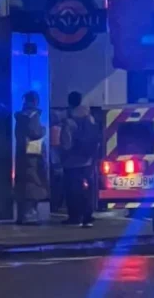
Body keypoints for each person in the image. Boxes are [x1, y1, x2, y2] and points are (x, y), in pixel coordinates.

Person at [61, 92, 99, 227]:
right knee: (87, 189)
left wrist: (63, 154)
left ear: (69, 102)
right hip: (87, 160)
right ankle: (87, 216)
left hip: (72, 161)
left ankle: (75, 217)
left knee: (72, 190)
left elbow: (66, 143)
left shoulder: (69, 120)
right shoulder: (89, 117)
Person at [15, 91, 48, 225]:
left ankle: (22, 214)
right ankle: (30, 214)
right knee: (34, 180)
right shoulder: (33, 115)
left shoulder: (20, 117)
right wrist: (43, 130)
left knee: (23, 182)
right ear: (35, 101)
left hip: (22, 153)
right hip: (33, 153)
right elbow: (36, 132)